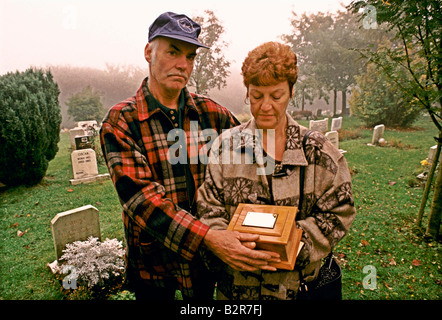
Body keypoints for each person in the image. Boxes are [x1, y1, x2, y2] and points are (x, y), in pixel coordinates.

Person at [100, 12, 279, 300]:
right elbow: (143, 201)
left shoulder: (212, 114)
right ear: (149, 52)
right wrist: (209, 237)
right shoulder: (122, 121)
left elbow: (258, 154)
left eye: (190, 55)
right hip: (153, 265)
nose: (183, 64)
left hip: (203, 266)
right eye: (173, 51)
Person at [196, 41, 356, 300]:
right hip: (238, 293)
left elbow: (340, 211)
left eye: (276, 96)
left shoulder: (320, 153)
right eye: (257, 96)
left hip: (299, 289)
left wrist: (290, 245)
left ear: (291, 92)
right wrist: (226, 242)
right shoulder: (225, 148)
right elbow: (208, 206)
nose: (265, 106)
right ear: (247, 93)